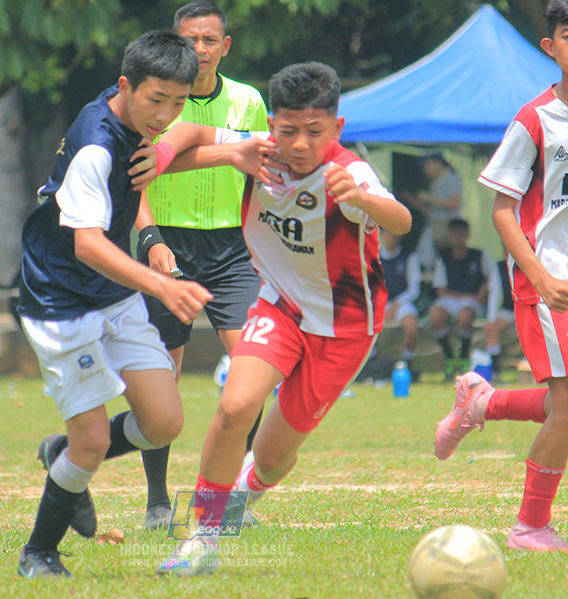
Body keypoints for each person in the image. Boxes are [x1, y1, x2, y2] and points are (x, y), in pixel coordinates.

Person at [13, 30, 272, 579]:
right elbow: (87, 244)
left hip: (109, 291)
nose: (166, 115)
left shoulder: (135, 109)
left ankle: (62, 451)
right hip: (61, 301)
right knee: (92, 442)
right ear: (127, 86)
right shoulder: (94, 147)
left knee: (163, 422)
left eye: (177, 101)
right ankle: (39, 552)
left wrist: (235, 148)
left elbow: (174, 146)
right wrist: (163, 285)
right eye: (158, 101)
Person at [151, 62, 412, 576]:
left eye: (314, 132)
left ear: (335, 129)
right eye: (287, 129)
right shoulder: (259, 151)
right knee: (235, 405)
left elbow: (400, 218)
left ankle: (244, 494)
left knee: (271, 459)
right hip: (281, 306)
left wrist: (363, 200)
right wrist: (200, 153)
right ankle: (203, 537)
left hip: (345, 329)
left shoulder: (349, 173)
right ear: (271, 124)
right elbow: (185, 133)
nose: (298, 144)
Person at [433, 0, 568, 555]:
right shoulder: (534, 119)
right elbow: (503, 210)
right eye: (567, 37)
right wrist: (538, 277)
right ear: (548, 46)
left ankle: (482, 404)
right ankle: (530, 526)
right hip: (543, 280)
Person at [134, 1, 270, 529]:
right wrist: (150, 241)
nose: (200, 49)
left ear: (225, 46)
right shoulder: (160, 100)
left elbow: (259, 173)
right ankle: (157, 502)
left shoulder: (248, 100)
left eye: (210, 40)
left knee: (253, 373)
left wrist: (263, 237)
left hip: (233, 249)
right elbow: (135, 178)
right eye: (190, 39)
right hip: (168, 247)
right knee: (160, 383)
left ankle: (228, 497)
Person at [427, 218, 495, 379]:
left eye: (461, 234)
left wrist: (483, 291)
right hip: (451, 298)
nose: (458, 238)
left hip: (471, 302)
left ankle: (464, 357)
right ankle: (449, 357)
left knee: (464, 317)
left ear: (467, 235)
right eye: (454, 234)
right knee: (435, 316)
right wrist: (466, 295)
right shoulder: (443, 257)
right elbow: (441, 290)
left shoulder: (479, 255)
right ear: (449, 236)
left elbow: (491, 278)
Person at [373, 227, 422, 375]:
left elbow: (414, 289)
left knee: (412, 328)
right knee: (364, 326)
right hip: (379, 303)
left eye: (395, 232)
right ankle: (370, 363)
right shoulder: (374, 257)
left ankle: (407, 363)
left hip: (402, 303)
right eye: (388, 232)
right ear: (382, 235)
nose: (392, 236)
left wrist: (396, 304)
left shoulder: (409, 257)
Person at [409, 151, 463, 269]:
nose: (425, 169)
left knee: (445, 261)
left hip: (448, 227)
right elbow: (434, 212)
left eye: (426, 165)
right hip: (435, 226)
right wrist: (416, 204)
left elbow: (454, 203)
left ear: (438, 162)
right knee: (424, 257)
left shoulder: (451, 178)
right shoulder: (435, 183)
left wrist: (428, 198)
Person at [483, 248, 515, 379]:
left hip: (530, 308)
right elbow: (494, 293)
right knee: (493, 330)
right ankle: (495, 371)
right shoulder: (500, 266)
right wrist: (490, 319)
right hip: (509, 309)